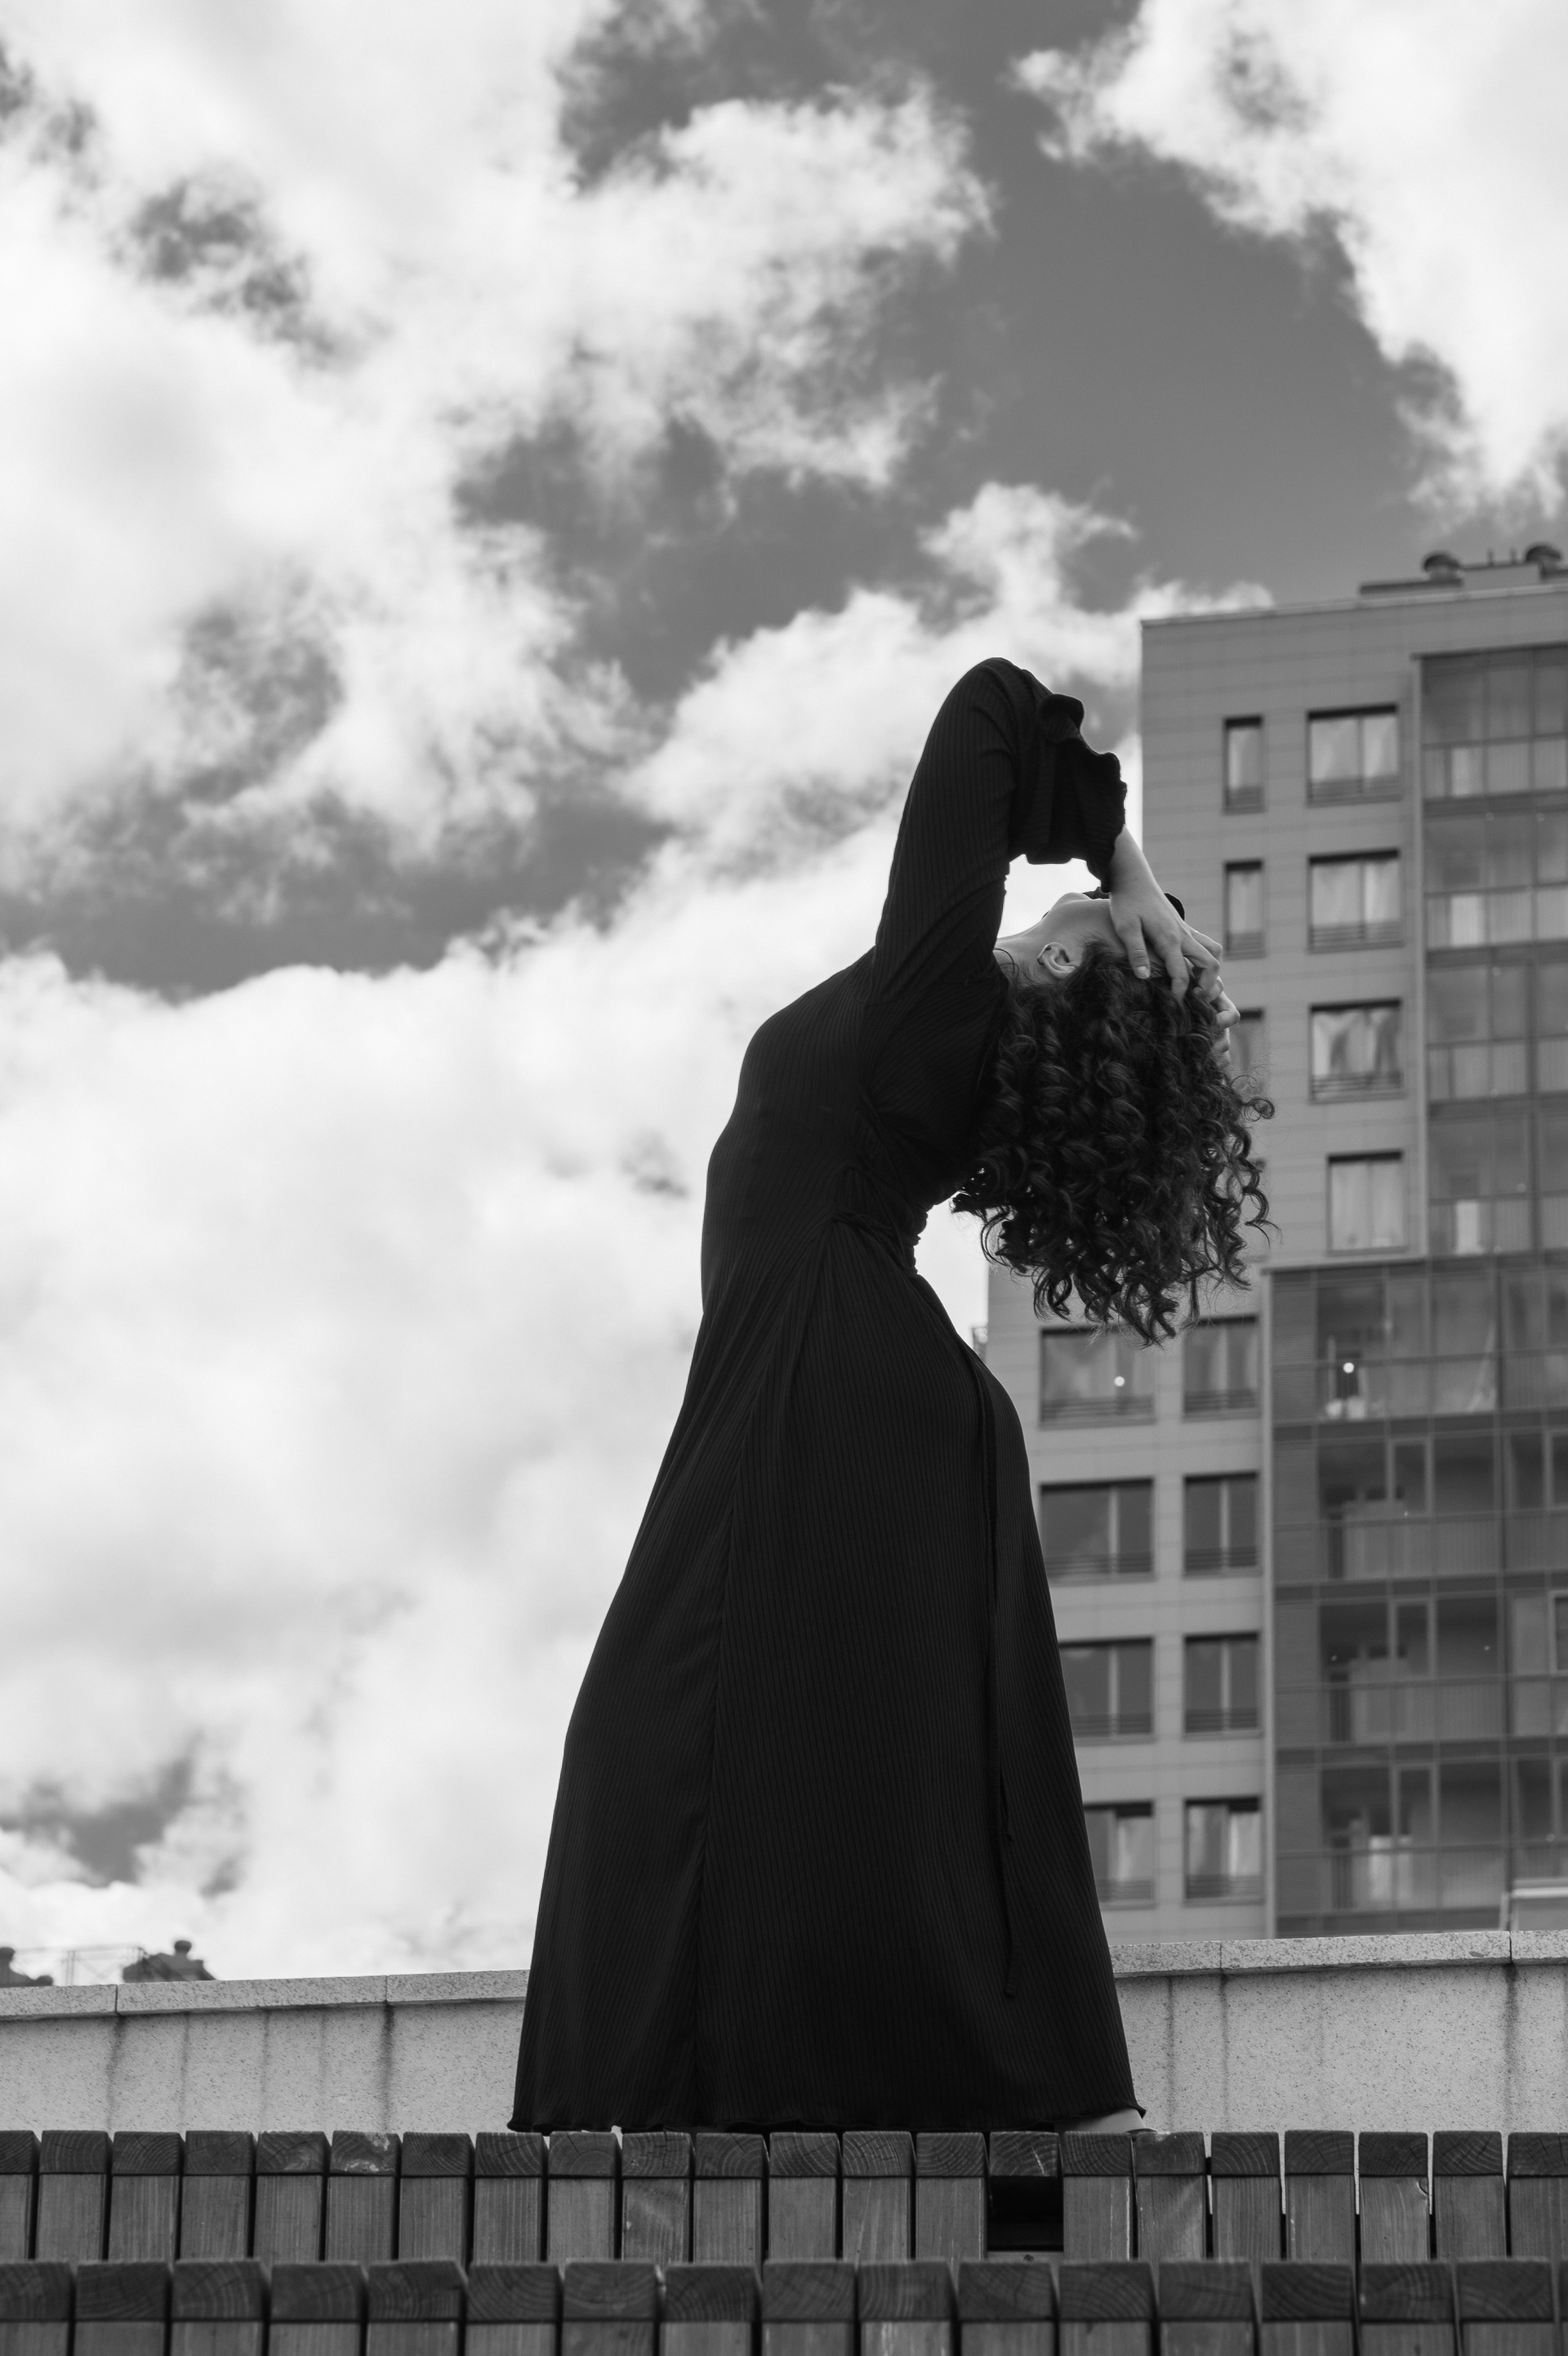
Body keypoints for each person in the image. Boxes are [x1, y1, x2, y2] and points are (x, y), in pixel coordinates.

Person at [512, 657, 1270, 2133]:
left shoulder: (940, 1000)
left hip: (832, 1369)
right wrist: (1130, 899)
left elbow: (990, 709)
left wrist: (1123, 867)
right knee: (801, 1746)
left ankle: (725, 2085)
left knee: (678, 1735)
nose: (1079, 918)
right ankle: (895, 2080)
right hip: (830, 1371)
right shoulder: (946, 1035)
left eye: (1093, 936)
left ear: (1065, 982)